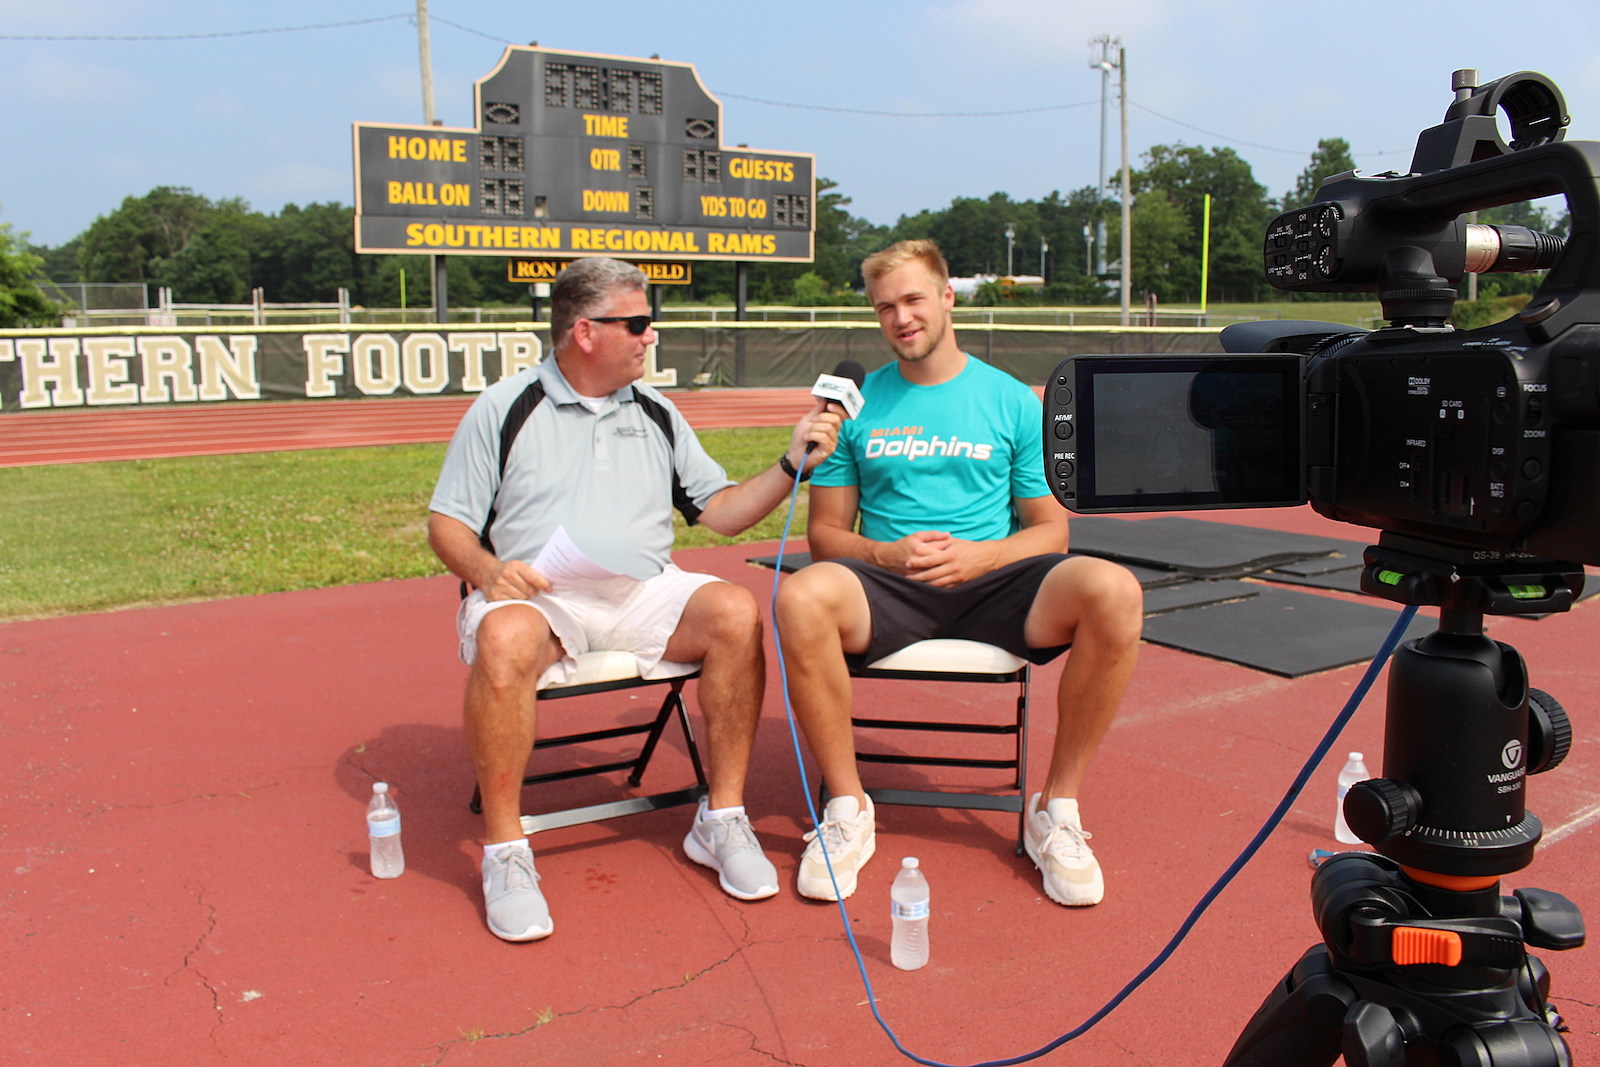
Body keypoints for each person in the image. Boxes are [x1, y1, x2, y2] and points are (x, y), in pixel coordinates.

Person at [428, 257, 841, 941]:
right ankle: (507, 853)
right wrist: (487, 568)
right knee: (502, 638)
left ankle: (721, 818)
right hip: (541, 600)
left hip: (641, 589)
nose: (652, 336)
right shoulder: (503, 407)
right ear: (585, 331)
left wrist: (791, 463)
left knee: (735, 610)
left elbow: (723, 512)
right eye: (640, 323)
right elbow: (446, 523)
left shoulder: (657, 410)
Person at [774, 240, 1143, 907]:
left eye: (914, 299)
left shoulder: (1009, 401)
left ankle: (1055, 808)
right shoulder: (854, 406)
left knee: (1114, 591)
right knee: (800, 594)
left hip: (993, 582)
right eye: (885, 306)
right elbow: (824, 535)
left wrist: (981, 555)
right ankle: (849, 809)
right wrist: (885, 553)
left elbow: (1051, 531)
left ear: (947, 298)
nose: (900, 317)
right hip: (888, 585)